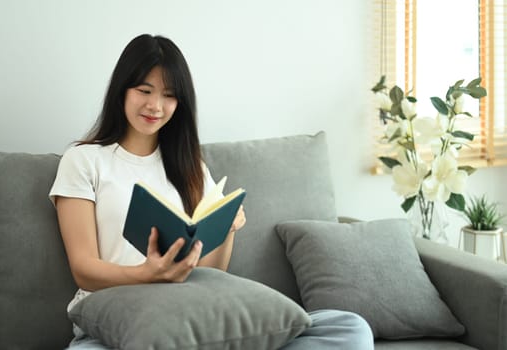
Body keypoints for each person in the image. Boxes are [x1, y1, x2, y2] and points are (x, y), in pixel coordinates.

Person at [50, 34, 373, 349]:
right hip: (115, 322)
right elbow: (83, 269)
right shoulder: (84, 160)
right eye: (144, 90)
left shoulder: (190, 167)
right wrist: (145, 274)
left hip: (188, 316)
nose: (155, 105)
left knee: (349, 328)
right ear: (122, 90)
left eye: (169, 95)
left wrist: (227, 228)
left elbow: (208, 273)